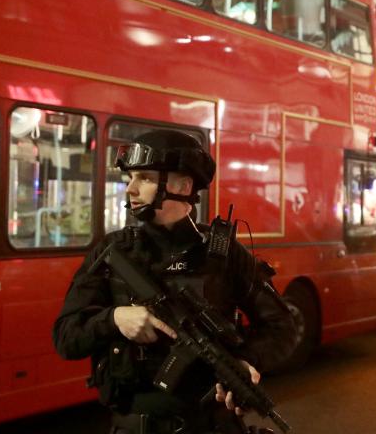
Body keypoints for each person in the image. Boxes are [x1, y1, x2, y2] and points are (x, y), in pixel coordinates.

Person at [53, 129, 297, 434]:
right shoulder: (113, 252)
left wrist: (247, 362)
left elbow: (283, 326)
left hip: (211, 424)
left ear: (182, 185)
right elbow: (66, 336)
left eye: (144, 178)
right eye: (130, 178)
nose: (131, 188)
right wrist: (115, 319)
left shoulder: (222, 254)